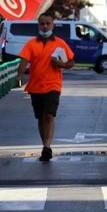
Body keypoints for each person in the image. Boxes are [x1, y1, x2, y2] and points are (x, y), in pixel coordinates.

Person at [17, 12, 75, 162]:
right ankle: (44, 144)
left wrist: (61, 64)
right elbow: (24, 61)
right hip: (35, 86)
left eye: (48, 23)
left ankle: (47, 147)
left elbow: (71, 62)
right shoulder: (31, 44)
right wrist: (18, 77)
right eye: (42, 24)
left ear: (53, 25)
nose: (45, 26)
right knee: (41, 117)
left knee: (49, 116)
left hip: (53, 85)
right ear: (39, 25)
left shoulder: (60, 43)